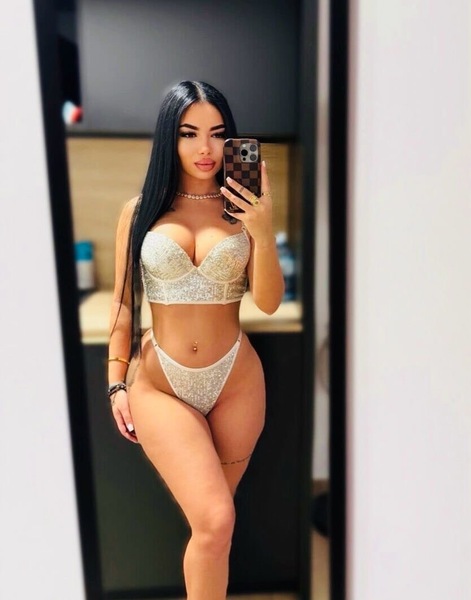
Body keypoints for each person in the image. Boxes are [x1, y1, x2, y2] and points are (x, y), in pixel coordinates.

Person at [107, 80, 284, 600]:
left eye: (217, 133)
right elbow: (123, 305)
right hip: (160, 384)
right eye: (189, 133)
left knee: (214, 530)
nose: (205, 148)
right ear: (170, 137)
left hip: (235, 384)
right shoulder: (140, 210)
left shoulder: (244, 207)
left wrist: (263, 230)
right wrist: (116, 383)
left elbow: (268, 302)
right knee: (214, 520)